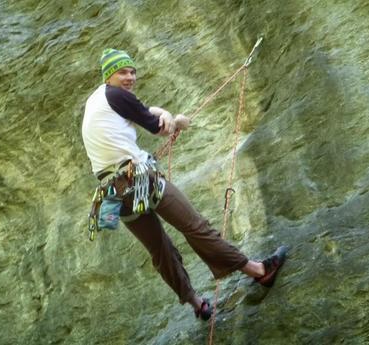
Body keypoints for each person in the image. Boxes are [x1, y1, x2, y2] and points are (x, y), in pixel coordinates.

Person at [82, 48, 287, 320]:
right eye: (123, 72)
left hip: (114, 194)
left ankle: (197, 304)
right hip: (140, 179)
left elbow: (144, 112)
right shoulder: (117, 95)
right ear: (110, 75)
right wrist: (178, 121)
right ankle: (259, 271)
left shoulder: (99, 99)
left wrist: (163, 114)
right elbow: (159, 127)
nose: (130, 77)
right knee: (195, 226)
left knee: (159, 250)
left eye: (133, 72)